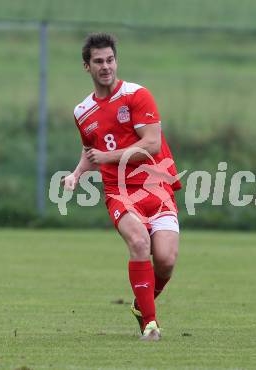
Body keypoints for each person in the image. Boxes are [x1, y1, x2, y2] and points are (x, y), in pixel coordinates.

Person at [63, 33, 181, 341]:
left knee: (166, 261)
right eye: (98, 61)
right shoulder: (82, 112)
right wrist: (76, 174)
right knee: (140, 244)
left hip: (156, 186)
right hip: (119, 191)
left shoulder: (137, 95)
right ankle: (150, 325)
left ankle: (142, 304)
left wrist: (106, 156)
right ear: (86, 66)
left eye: (110, 60)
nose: (106, 67)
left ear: (117, 61)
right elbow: (92, 151)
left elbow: (152, 144)